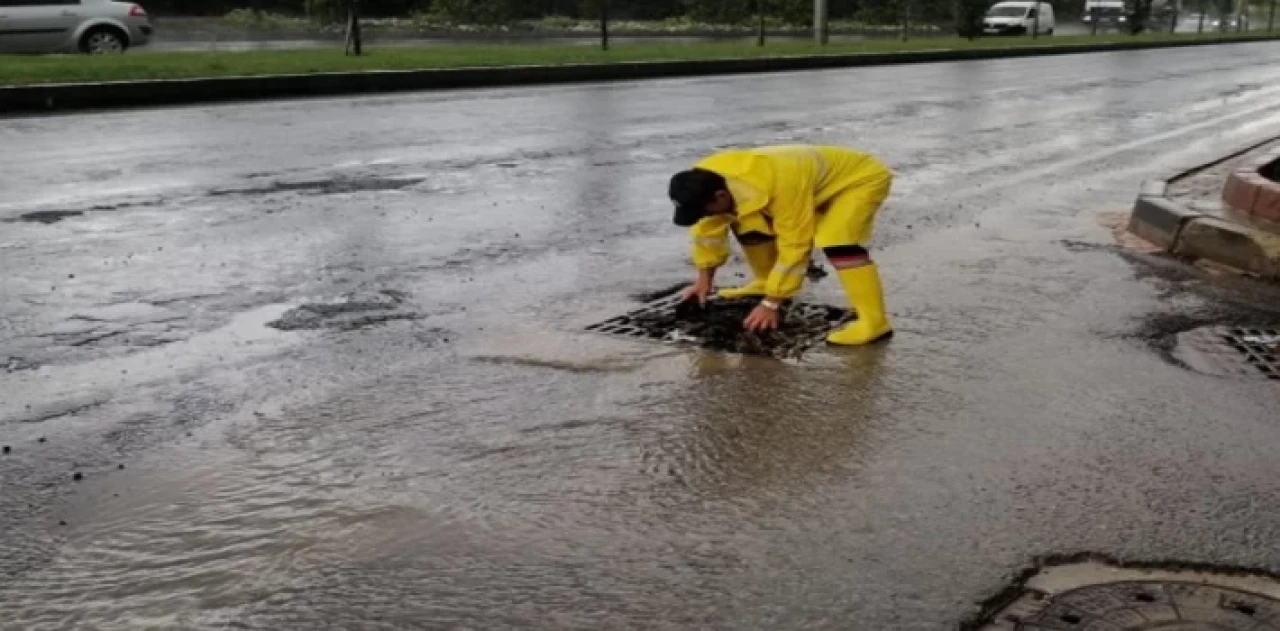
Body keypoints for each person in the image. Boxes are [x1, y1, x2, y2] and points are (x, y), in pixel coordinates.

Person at [668, 144, 894, 346]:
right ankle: (764, 281)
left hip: (858, 179)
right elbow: (707, 233)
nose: (704, 216)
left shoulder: (782, 186)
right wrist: (703, 280)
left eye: (705, 210)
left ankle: (874, 322)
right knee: (747, 221)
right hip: (806, 183)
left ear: (720, 196)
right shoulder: (702, 180)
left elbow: (796, 244)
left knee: (837, 240)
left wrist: (771, 304)